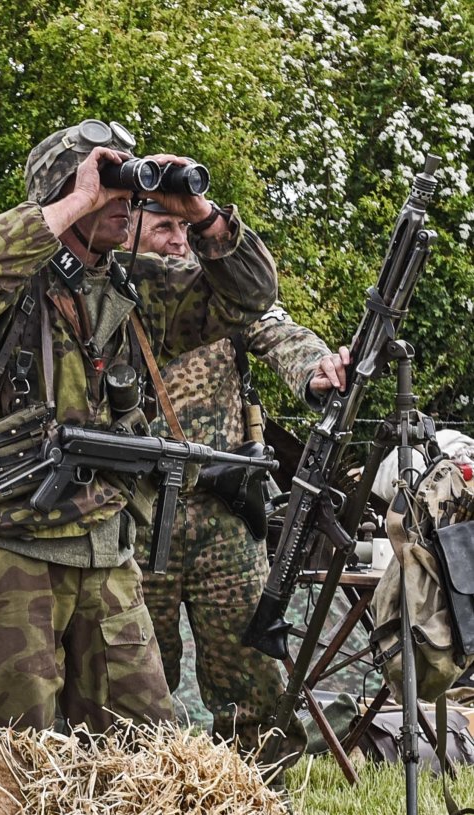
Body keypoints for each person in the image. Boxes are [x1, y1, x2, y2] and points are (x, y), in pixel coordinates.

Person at [0, 120, 280, 730]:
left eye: (130, 191)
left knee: (144, 744)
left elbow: (251, 296)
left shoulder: (133, 288)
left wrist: (199, 211)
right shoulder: (10, 290)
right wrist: (79, 196)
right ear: (63, 192)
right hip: (15, 546)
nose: (125, 203)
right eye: (113, 188)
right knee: (21, 745)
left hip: (106, 544)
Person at [126, 198, 352, 761]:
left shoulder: (218, 295)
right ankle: (140, 796)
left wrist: (317, 370)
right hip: (139, 512)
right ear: (127, 230)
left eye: (184, 227)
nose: (178, 240)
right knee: (138, 673)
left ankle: (260, 801)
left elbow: (282, 334)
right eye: (162, 228)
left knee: (250, 673)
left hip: (225, 512)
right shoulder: (115, 301)